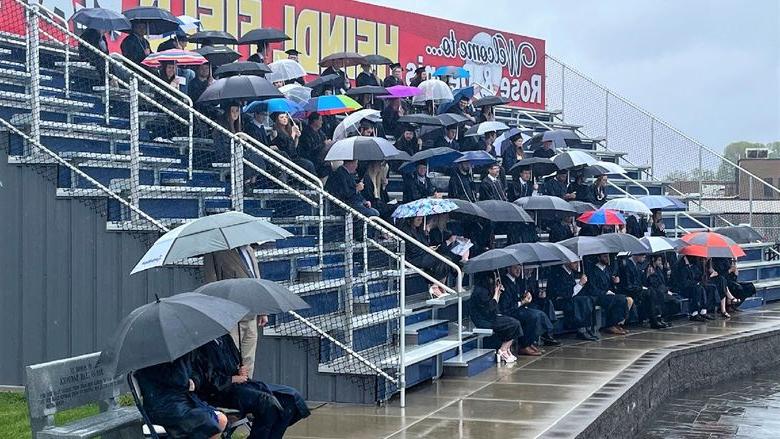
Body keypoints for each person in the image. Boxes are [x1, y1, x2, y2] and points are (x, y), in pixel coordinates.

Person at [193, 334, 310, 439]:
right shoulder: (200, 344)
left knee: (290, 397)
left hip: (241, 385)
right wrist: (232, 379)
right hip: (219, 393)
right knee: (267, 402)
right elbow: (203, 379)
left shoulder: (224, 338)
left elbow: (234, 362)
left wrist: (240, 370)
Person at [203, 244, 267, 378]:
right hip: (230, 317)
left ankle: (248, 391)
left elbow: (257, 280)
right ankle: (233, 393)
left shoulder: (249, 250)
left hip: (252, 314)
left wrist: (262, 310)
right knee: (232, 361)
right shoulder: (215, 252)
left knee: (249, 360)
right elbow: (211, 283)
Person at [135, 352, 228, 439]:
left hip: (182, 400)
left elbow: (196, 371)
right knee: (211, 423)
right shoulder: (151, 359)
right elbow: (180, 379)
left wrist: (194, 381)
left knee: (221, 419)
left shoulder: (176, 352)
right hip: (163, 408)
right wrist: (182, 359)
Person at [469, 271, 524, 363]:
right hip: (484, 320)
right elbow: (489, 308)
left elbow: (494, 308)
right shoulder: (480, 291)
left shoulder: (486, 289)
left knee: (513, 322)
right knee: (514, 324)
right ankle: (503, 349)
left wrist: (498, 293)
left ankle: (507, 349)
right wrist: (496, 294)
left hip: (490, 317)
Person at [498, 265, 553, 356]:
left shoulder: (517, 281)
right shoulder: (505, 282)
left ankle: (529, 342)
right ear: (508, 268)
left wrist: (525, 296)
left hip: (518, 309)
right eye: (515, 267)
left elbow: (518, 297)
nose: (518, 270)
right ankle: (524, 345)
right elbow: (506, 306)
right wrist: (522, 302)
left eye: (519, 268)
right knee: (533, 316)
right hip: (509, 311)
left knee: (539, 313)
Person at [401, 216, 452, 298]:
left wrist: (428, 240)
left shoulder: (420, 230)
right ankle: (435, 286)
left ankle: (441, 286)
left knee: (447, 259)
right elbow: (412, 249)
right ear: (411, 219)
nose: (420, 222)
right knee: (441, 261)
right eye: (418, 220)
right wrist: (427, 249)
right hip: (414, 258)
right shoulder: (406, 231)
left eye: (421, 220)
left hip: (423, 254)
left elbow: (425, 244)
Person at [547, 262, 599, 340]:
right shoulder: (558, 273)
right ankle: (581, 330)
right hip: (559, 301)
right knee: (581, 301)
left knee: (588, 299)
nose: (577, 265)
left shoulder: (570, 273)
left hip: (570, 299)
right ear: (567, 262)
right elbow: (566, 294)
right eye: (574, 262)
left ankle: (589, 328)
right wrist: (580, 284)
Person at [584, 253, 632, 335]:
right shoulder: (592, 271)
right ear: (599, 258)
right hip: (598, 296)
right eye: (605, 256)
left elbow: (611, 285)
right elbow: (592, 289)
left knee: (626, 299)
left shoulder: (607, 270)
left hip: (608, 295)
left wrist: (615, 282)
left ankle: (616, 323)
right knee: (620, 299)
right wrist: (605, 292)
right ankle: (610, 325)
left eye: (608, 256)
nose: (607, 259)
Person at [618, 253, 667, 328]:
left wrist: (647, 275)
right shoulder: (627, 266)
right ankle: (654, 320)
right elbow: (628, 285)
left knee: (656, 291)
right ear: (637, 255)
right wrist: (640, 288)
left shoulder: (636, 265)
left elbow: (641, 282)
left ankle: (658, 317)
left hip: (637, 289)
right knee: (650, 293)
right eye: (642, 255)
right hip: (630, 291)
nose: (644, 257)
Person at [671, 255, 713, 322]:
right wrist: (687, 266)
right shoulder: (680, 266)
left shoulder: (693, 265)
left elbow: (698, 276)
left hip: (693, 285)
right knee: (696, 289)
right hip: (682, 288)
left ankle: (703, 311)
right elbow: (683, 282)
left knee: (709, 287)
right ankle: (694, 313)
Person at [298, 112, 332, 177]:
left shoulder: (320, 132)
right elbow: (310, 149)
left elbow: (324, 140)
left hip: (322, 157)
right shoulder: (306, 133)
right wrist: (324, 144)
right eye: (320, 120)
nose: (322, 122)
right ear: (314, 121)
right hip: (312, 157)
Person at [645, 255, 673, 327]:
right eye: (659, 260)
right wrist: (648, 275)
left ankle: (661, 318)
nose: (660, 262)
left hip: (661, 290)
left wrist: (665, 270)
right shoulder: (649, 268)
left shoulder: (658, 269)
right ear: (654, 259)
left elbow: (663, 282)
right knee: (658, 296)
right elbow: (651, 283)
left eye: (661, 260)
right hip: (653, 290)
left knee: (671, 299)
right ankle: (657, 318)